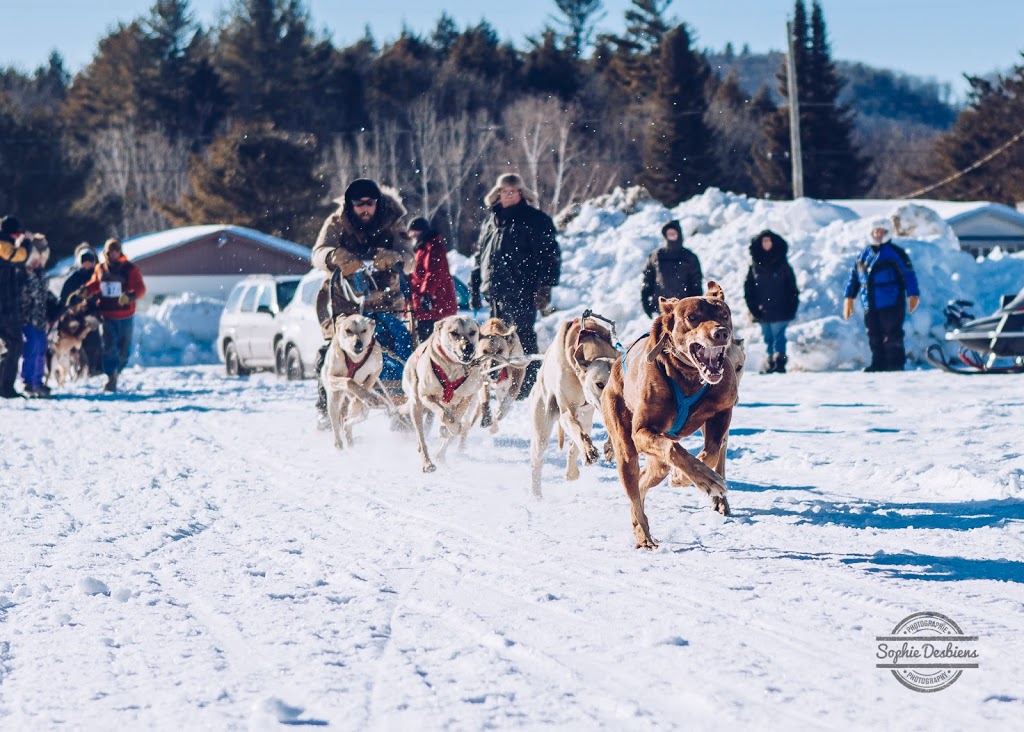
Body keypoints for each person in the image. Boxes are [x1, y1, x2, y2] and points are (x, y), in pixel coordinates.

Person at [311, 178, 414, 428]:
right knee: (331, 353)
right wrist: (334, 255)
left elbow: (410, 260)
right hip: (344, 302)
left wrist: (395, 257)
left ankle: (403, 409)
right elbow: (317, 254)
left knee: (398, 348)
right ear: (350, 205)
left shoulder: (392, 222)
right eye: (359, 204)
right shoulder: (336, 223)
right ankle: (327, 409)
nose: (366, 209)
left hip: (386, 301)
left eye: (370, 203)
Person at [471, 173, 561, 397]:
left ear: (521, 194)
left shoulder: (536, 220)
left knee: (522, 337)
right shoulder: (490, 221)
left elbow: (550, 256)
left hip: (523, 290)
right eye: (504, 191)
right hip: (494, 291)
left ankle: (528, 386)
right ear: (498, 194)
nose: (508, 195)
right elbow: (479, 257)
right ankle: (500, 382)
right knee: (494, 341)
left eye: (513, 191)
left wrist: (544, 287)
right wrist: (474, 286)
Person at [843, 217, 920, 372]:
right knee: (874, 335)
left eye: (882, 231)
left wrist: (913, 294)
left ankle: (895, 364)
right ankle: (877, 363)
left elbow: (908, 274)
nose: (878, 234)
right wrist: (849, 298)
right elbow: (855, 277)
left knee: (892, 335)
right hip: (869, 303)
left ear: (888, 232)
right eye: (875, 231)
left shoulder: (895, 253)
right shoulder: (864, 254)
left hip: (891, 301)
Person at [86, 238, 147, 392]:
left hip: (125, 314)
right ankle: (110, 376)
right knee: (108, 346)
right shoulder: (100, 268)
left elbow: (140, 288)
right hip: (106, 313)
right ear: (105, 253)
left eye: (115, 251)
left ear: (120, 252)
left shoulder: (130, 269)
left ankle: (116, 372)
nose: (112, 255)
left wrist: (131, 296)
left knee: (124, 350)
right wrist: (86, 290)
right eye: (109, 252)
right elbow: (95, 284)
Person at [744, 229, 800, 374]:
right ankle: (770, 361)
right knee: (768, 338)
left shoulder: (782, 264)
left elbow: (791, 287)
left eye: (769, 241)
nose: (766, 244)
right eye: (764, 241)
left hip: (781, 307)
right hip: (762, 309)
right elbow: (749, 288)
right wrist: (753, 307)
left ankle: (780, 361)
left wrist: (792, 305)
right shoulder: (755, 265)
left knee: (779, 336)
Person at [407, 217, 458, 344]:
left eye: (413, 233)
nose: (412, 236)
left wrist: (426, 294)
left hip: (434, 305)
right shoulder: (422, 248)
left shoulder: (431, 247)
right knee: (426, 341)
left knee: (432, 342)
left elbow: (434, 272)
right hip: (428, 305)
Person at [20, 236, 58, 397]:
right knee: (32, 346)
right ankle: (28, 382)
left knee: (41, 348)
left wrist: (55, 306)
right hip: (26, 317)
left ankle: (38, 381)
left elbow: (45, 295)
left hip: (41, 319)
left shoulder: (42, 274)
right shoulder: (22, 274)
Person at [641, 220, 703, 317]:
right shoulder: (657, 255)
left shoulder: (689, 257)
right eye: (669, 234)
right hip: (662, 306)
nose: (672, 236)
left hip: (684, 308)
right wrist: (645, 299)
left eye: (674, 233)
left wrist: (696, 305)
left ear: (679, 234)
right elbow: (648, 278)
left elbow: (696, 282)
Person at [59, 242, 102, 376]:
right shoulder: (73, 278)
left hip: (92, 315)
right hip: (75, 316)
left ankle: (94, 368)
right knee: (75, 345)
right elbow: (65, 297)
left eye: (90, 261)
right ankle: (77, 368)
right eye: (85, 261)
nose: (87, 264)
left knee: (94, 343)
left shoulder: (97, 276)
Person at [0, 215, 30, 398]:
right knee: (14, 344)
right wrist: (26, 242)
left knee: (9, 345)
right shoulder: (4, 245)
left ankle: (4, 386)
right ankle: (6, 388)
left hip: (5, 304)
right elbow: (20, 257)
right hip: (4, 306)